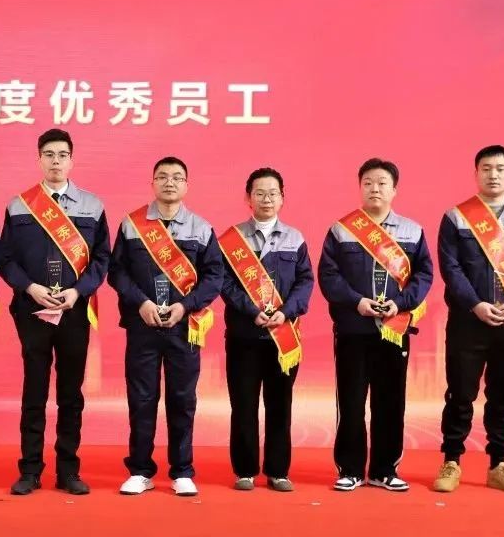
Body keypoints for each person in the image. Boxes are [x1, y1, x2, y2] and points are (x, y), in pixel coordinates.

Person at [0, 128, 110, 496]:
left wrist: (78, 292)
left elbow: (102, 259)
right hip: (32, 309)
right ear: (39, 159)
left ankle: (68, 470)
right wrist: (31, 288)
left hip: (74, 310)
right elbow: (5, 258)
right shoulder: (20, 206)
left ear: (71, 160)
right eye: (49, 154)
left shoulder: (92, 206)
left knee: (70, 393)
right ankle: (30, 470)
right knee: (34, 391)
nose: (55, 161)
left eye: (62, 155)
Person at [433, 145, 504, 494]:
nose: (493, 174)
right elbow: (451, 268)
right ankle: (451, 461)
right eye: (486, 168)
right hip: (468, 322)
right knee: (460, 393)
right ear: (476, 174)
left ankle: (499, 464)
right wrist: (475, 304)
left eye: (500, 168)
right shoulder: (456, 218)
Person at [108, 157, 224, 497]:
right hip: (142, 324)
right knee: (141, 398)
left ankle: (182, 470)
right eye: (162, 176)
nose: (169, 182)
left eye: (176, 177)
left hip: (184, 327)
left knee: (182, 399)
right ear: (152, 183)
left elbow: (214, 276)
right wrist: (141, 303)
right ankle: (140, 470)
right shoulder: (132, 225)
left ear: (186, 185)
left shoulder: (201, 228)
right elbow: (117, 272)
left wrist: (185, 306)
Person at [318, 158, 433, 492]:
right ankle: (351, 469)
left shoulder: (412, 231)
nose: (375, 189)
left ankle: (385, 470)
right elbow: (329, 275)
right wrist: (357, 302)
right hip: (353, 329)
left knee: (391, 402)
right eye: (368, 183)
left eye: (382, 183)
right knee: (351, 402)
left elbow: (424, 274)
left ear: (394, 189)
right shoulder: (341, 230)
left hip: (394, 329)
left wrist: (402, 303)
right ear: (360, 187)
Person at [218, 168, 314, 492]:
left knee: (280, 405)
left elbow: (305, 281)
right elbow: (224, 283)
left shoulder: (295, 238)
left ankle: (278, 471)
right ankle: (244, 470)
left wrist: (285, 312)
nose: (267, 199)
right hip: (244, 336)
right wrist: (251, 310)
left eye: (273, 193)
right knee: (243, 405)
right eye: (259, 193)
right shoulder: (231, 239)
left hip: (282, 338)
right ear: (248, 198)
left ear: (282, 198)